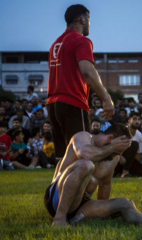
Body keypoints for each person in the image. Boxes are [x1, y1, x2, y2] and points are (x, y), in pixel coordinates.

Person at [43, 124, 142, 227]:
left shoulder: (112, 157)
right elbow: (85, 154)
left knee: (125, 203)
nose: (117, 156)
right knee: (85, 165)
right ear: (110, 139)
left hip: (81, 204)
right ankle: (59, 219)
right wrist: (112, 148)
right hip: (57, 198)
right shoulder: (83, 137)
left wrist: (104, 210)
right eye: (118, 151)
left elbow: (105, 185)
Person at [47, 4, 114, 160]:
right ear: (82, 19)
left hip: (52, 104)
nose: (90, 23)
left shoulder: (55, 44)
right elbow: (87, 72)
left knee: (62, 158)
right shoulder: (81, 41)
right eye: (89, 19)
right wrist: (106, 98)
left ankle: (57, 185)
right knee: (82, 157)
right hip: (72, 102)